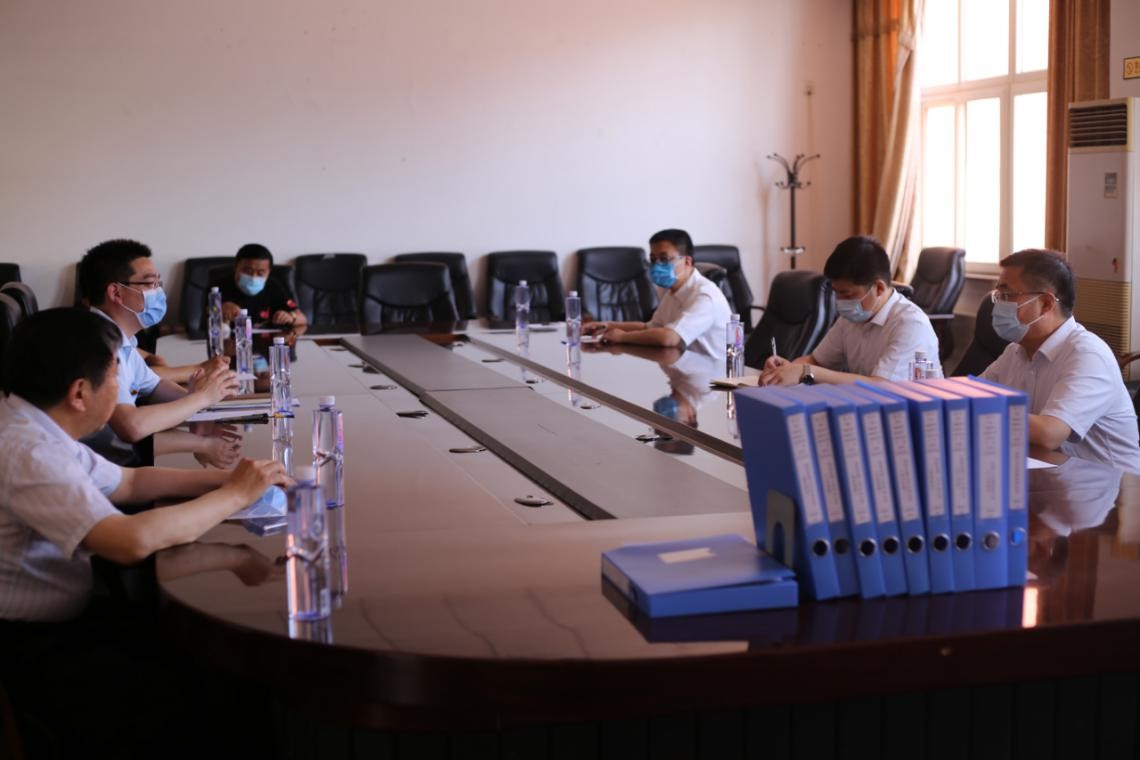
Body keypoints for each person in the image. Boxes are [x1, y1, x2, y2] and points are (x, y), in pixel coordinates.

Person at [0, 308, 290, 754]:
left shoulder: (34, 424)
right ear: (79, 392)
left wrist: (238, 480)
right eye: (116, 376)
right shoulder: (29, 452)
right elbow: (129, 542)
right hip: (29, 649)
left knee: (208, 666)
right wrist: (234, 497)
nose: (123, 390)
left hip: (65, 620)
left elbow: (132, 482)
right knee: (212, 691)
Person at [78, 238, 241, 467]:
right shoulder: (98, 345)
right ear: (116, 292)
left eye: (158, 283)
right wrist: (200, 400)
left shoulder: (120, 339)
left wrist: (202, 403)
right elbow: (131, 426)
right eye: (149, 284)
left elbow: (155, 387)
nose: (159, 292)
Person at [979, 249, 1140, 474]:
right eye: (998, 296)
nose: (998, 305)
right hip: (1052, 477)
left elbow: (1049, 434)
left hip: (1114, 488)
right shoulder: (1016, 350)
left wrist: (971, 410)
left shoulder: (1088, 355)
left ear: (1046, 303)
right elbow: (971, 393)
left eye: (1007, 295)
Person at [759, 235, 941, 386]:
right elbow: (815, 361)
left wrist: (805, 371)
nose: (839, 301)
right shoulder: (851, 318)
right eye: (836, 292)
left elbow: (881, 386)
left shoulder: (911, 324)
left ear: (879, 288)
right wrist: (788, 369)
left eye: (847, 294)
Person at [582, 228, 732, 357]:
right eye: (653, 259)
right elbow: (650, 328)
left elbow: (669, 338)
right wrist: (608, 325)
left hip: (714, 378)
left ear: (686, 261)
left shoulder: (705, 296)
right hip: (684, 369)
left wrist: (622, 337)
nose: (656, 265)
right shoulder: (671, 290)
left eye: (664, 259)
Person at [214, 242, 307, 326]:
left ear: (269, 272)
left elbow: (302, 318)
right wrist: (220, 310)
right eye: (248, 271)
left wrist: (291, 317)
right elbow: (208, 320)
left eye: (260, 272)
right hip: (232, 338)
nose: (253, 277)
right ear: (235, 267)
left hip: (268, 338)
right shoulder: (217, 288)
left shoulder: (274, 286)